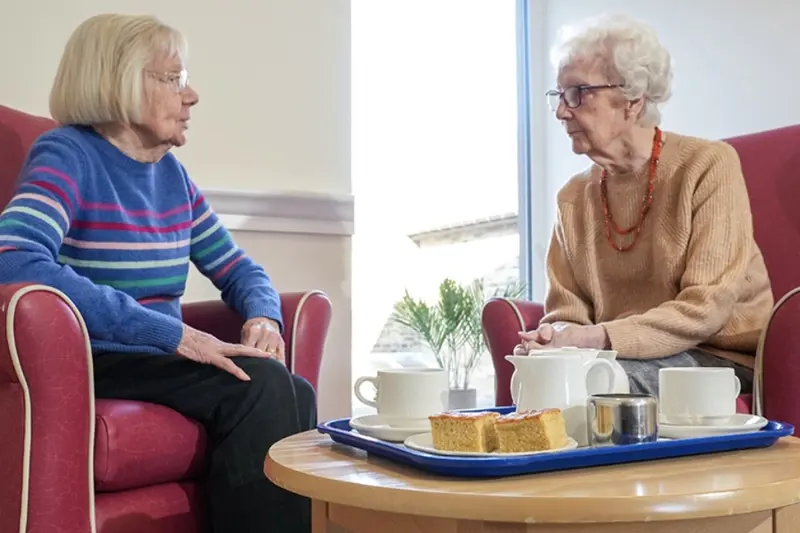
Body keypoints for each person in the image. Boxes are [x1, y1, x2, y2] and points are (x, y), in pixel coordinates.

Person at [0, 14, 314, 533]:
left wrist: (264, 317)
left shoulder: (172, 176)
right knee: (260, 386)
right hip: (99, 356)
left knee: (295, 390)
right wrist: (170, 333)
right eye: (174, 78)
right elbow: (14, 256)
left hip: (156, 357)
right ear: (119, 82)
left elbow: (240, 269)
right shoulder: (68, 154)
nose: (192, 96)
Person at [513, 14, 773, 396]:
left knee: (599, 388)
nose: (561, 111)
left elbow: (705, 308)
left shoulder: (708, 165)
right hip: (614, 357)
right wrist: (555, 340)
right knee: (546, 380)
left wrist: (594, 339)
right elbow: (567, 313)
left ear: (632, 99)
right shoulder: (572, 198)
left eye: (577, 93)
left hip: (716, 356)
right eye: (559, 95)